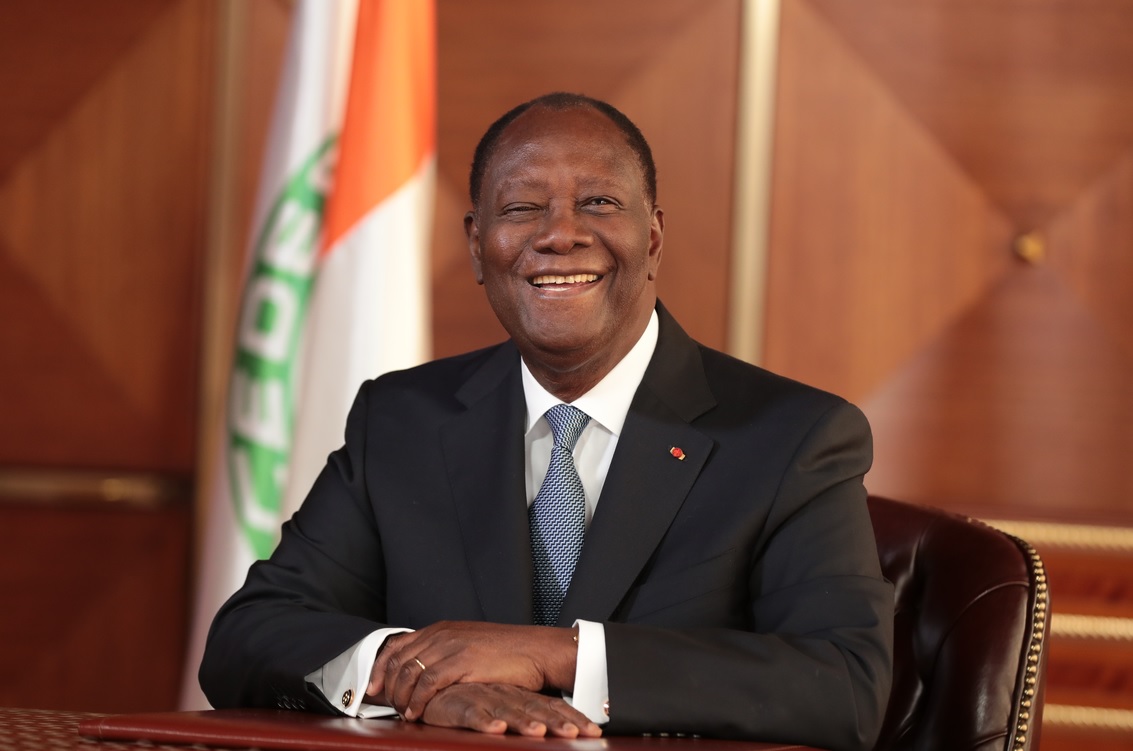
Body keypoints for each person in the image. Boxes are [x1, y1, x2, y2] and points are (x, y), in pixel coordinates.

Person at [200, 92, 894, 751]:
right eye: (522, 208)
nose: (560, 234)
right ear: (478, 245)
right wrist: (422, 678)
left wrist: (555, 654)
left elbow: (844, 685)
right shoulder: (400, 420)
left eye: (598, 202)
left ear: (653, 235)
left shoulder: (792, 436)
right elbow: (248, 634)